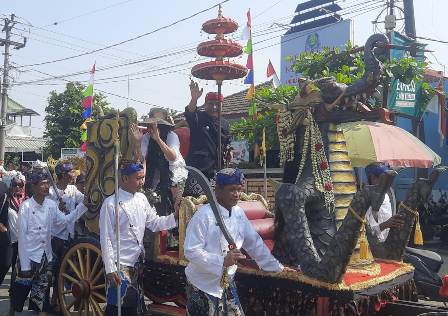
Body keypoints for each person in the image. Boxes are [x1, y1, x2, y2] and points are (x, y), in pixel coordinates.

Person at [184, 168, 289, 315]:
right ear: (218, 190)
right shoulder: (203, 216)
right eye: (231, 189)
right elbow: (191, 251)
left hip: (227, 283)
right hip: (202, 285)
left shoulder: (239, 213)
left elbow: (254, 243)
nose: (237, 194)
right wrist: (222, 261)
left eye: (239, 189)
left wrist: (277, 267)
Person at [99, 161, 178, 316]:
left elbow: (154, 223)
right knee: (118, 307)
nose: (142, 181)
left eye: (143, 177)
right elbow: (106, 238)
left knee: (135, 305)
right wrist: (110, 268)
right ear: (125, 179)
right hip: (119, 262)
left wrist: (174, 217)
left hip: (137, 263)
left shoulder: (142, 199)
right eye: (138, 178)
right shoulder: (110, 204)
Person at [9, 169, 87, 316]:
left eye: (47, 184)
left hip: (45, 257)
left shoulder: (51, 205)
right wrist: (25, 265)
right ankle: (12, 310)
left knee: (40, 298)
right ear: (33, 186)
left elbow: (64, 221)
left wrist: (82, 207)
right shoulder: (25, 207)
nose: (46, 187)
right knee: (19, 294)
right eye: (43, 184)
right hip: (29, 256)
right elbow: (22, 238)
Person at [47, 162, 84, 309]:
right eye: (71, 172)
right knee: (53, 272)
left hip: (69, 236)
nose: (74, 174)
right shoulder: (50, 192)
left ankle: (58, 299)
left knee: (65, 272)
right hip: (54, 237)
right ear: (63, 175)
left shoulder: (73, 190)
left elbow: (84, 200)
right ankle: (50, 301)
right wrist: (57, 207)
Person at [184, 81, 230, 196]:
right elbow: (190, 112)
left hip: (217, 171)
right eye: (210, 104)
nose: (214, 107)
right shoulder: (199, 117)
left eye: (217, 104)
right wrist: (194, 99)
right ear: (205, 105)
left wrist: (229, 151)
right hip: (198, 170)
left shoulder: (225, 123)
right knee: (200, 204)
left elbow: (227, 142)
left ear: (222, 105)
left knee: (217, 205)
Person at [140, 108, 188, 215]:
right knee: (151, 202)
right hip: (154, 175)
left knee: (172, 208)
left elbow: (172, 157)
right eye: (151, 125)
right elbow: (141, 159)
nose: (153, 128)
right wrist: (136, 142)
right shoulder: (146, 137)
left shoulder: (171, 136)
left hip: (174, 178)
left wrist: (158, 139)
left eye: (156, 125)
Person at [0, 171, 27, 288]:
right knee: (5, 265)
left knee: (18, 269)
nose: (17, 187)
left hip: (22, 240)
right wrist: (3, 229)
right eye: (15, 184)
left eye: (20, 185)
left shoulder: (27, 200)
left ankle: (13, 295)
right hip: (8, 240)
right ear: (11, 185)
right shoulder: (5, 199)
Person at [365, 162, 404, 242]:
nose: (386, 181)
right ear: (373, 178)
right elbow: (365, 232)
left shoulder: (388, 194)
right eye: (383, 177)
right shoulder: (365, 198)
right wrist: (386, 225)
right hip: (372, 247)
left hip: (389, 243)